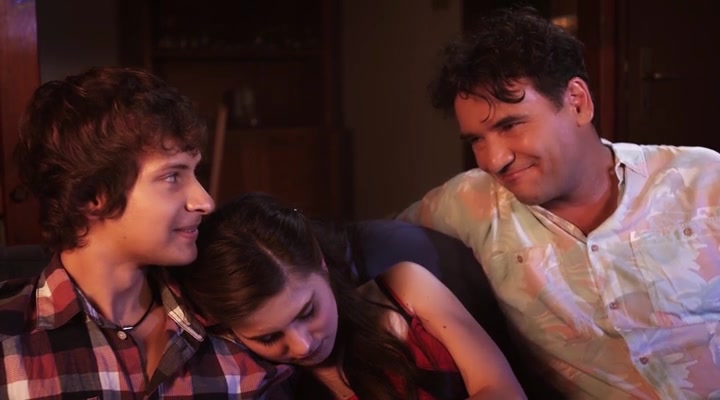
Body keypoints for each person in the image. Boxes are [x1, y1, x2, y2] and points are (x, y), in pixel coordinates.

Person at [396, 6, 720, 399]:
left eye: (510, 125)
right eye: (477, 140)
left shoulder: (703, 179)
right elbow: (365, 251)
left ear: (578, 103)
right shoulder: (469, 203)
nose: (494, 160)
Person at [0, 67, 291, 398]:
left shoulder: (233, 318)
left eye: (194, 172)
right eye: (172, 177)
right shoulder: (10, 342)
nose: (205, 202)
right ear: (91, 196)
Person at [179, 192, 526, 400]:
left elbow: (505, 391)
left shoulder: (405, 287)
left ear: (321, 263)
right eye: (269, 337)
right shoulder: (265, 384)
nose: (302, 345)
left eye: (307, 311)